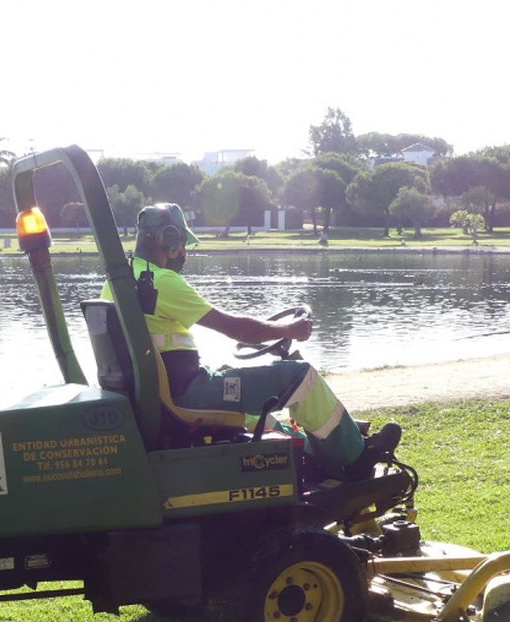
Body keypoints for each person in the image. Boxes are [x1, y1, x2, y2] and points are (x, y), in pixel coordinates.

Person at [103, 203, 400, 481]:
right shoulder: (160, 282)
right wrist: (289, 329)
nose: (183, 251)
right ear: (167, 238)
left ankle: (316, 458)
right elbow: (237, 328)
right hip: (188, 396)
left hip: (160, 395)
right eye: (181, 242)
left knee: (257, 414)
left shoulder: (121, 281)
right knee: (300, 377)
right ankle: (356, 458)